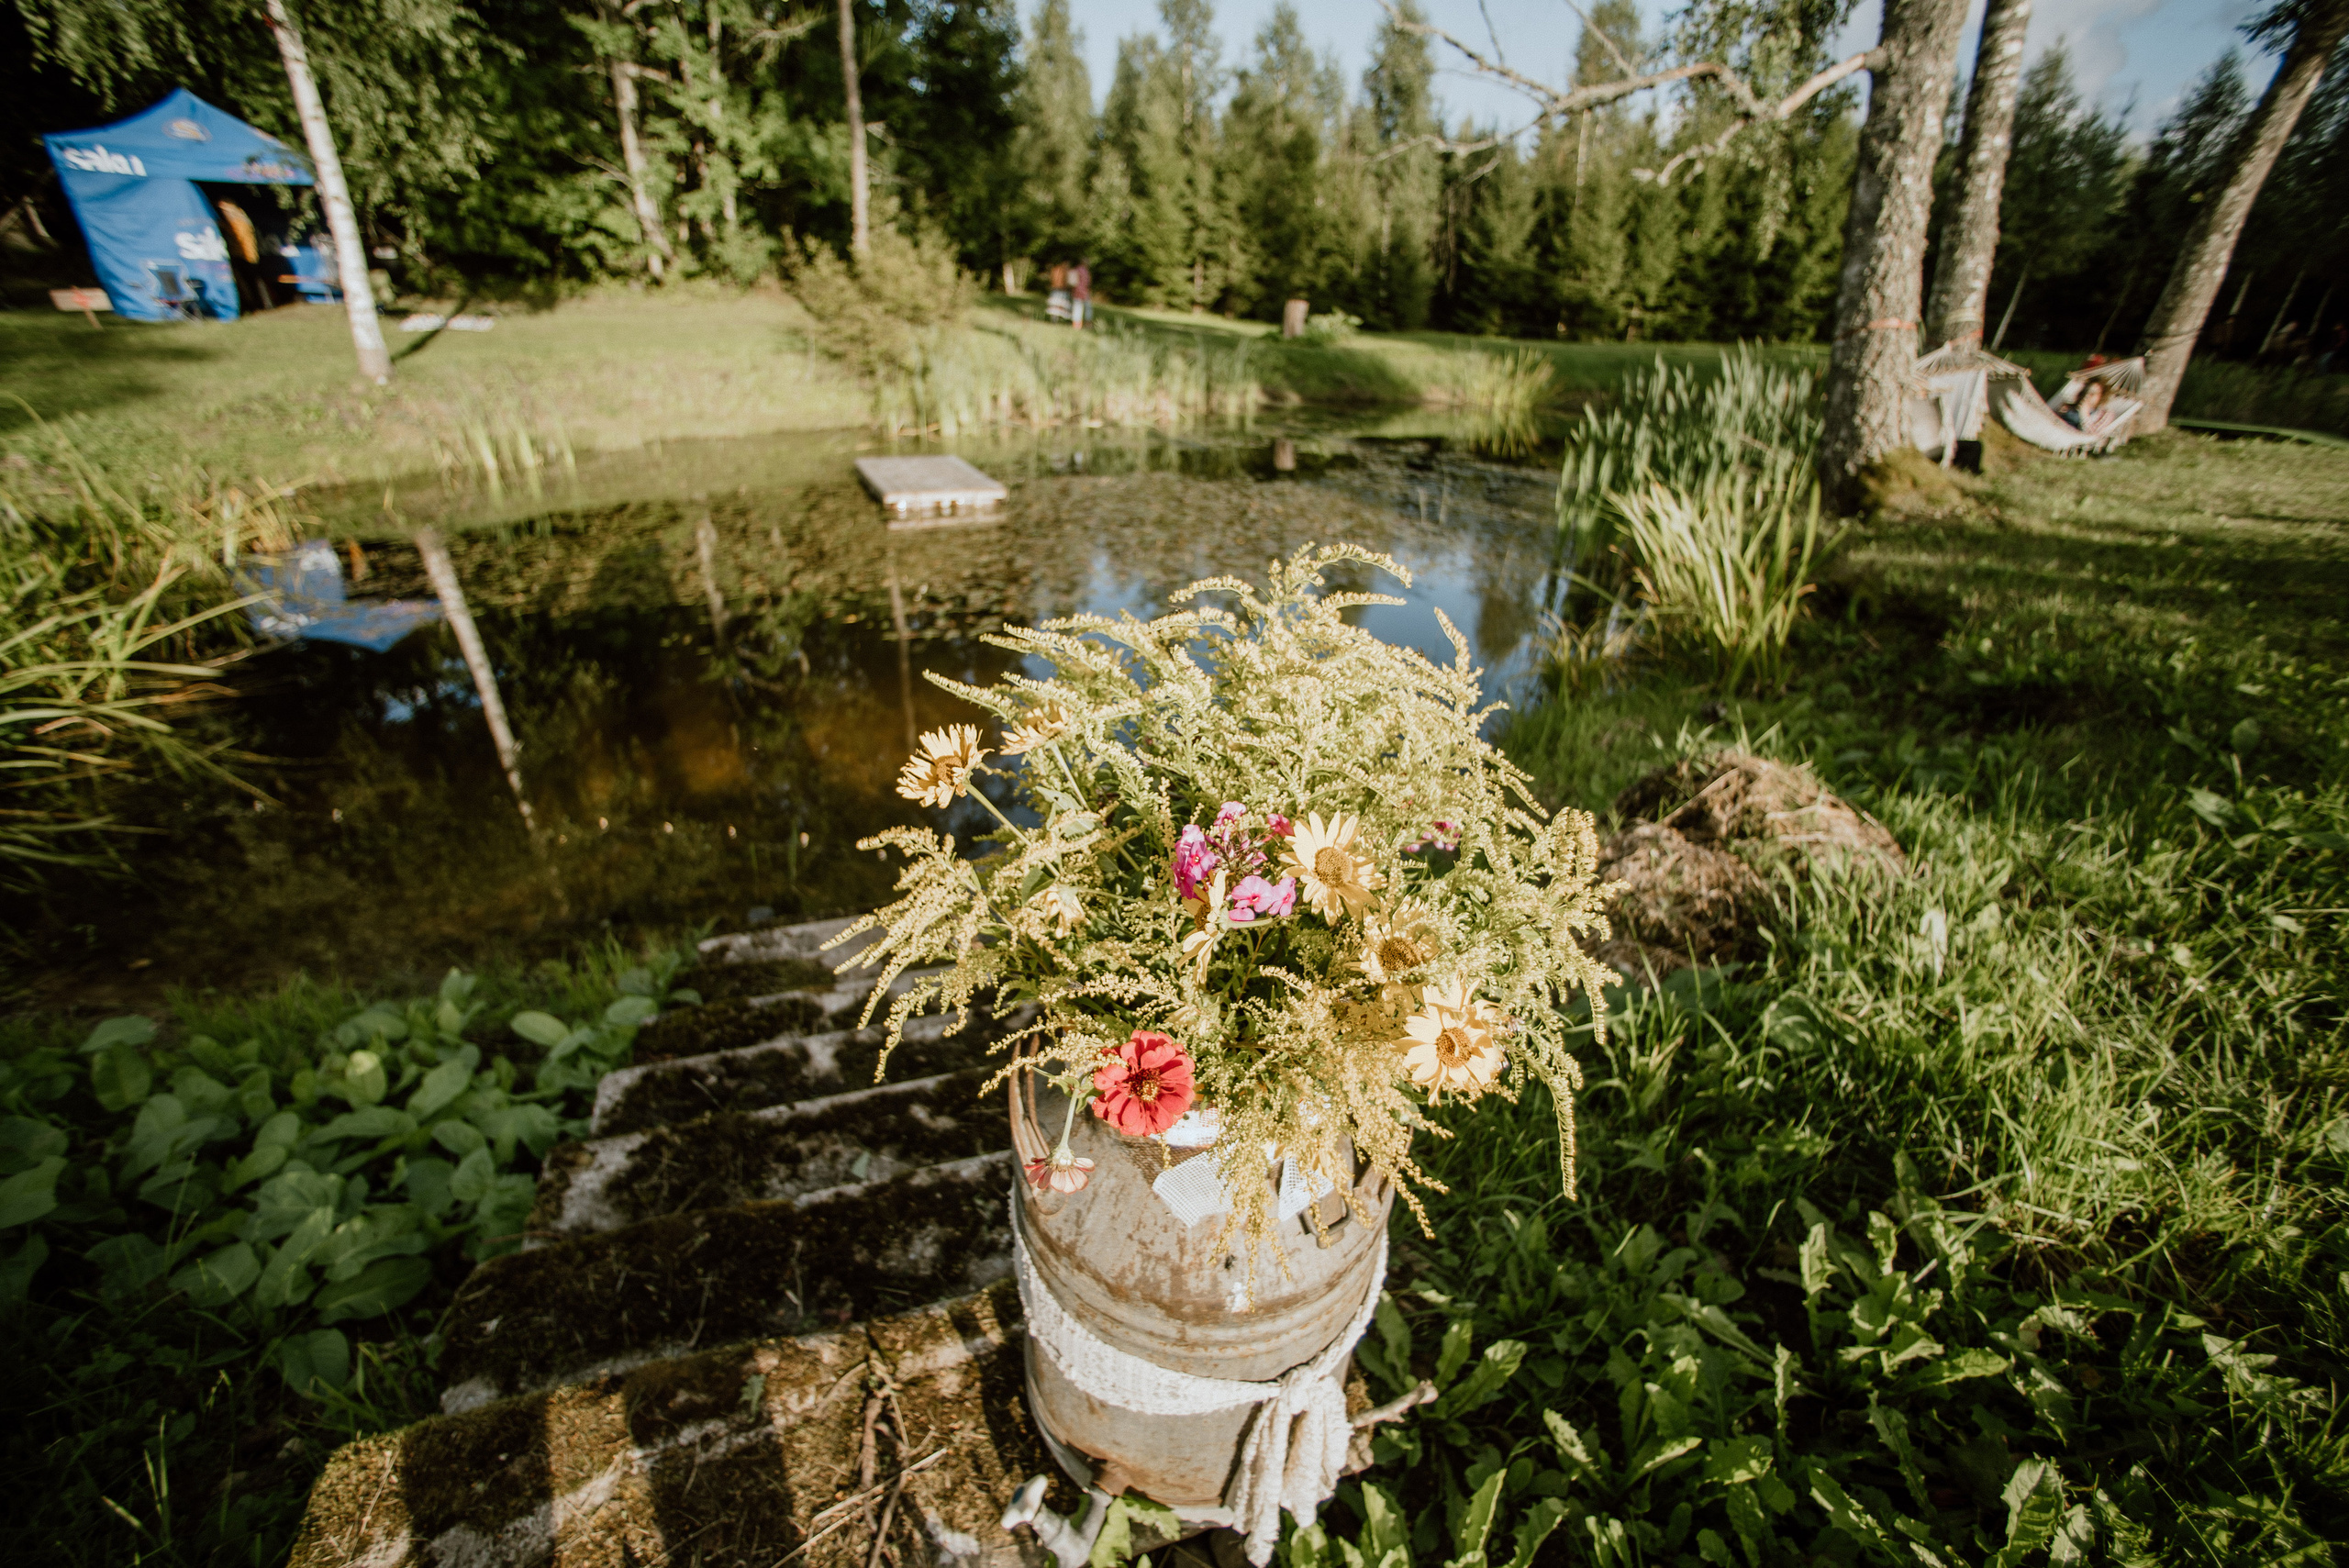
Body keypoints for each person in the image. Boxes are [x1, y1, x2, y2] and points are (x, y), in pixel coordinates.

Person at [1071, 259, 1092, 329]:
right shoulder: (1086, 271)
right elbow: (1088, 282)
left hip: (1077, 291)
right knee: (1088, 308)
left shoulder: (1077, 269)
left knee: (1077, 308)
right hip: (1084, 292)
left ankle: (1076, 325)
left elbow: (1073, 281)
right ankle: (1087, 323)